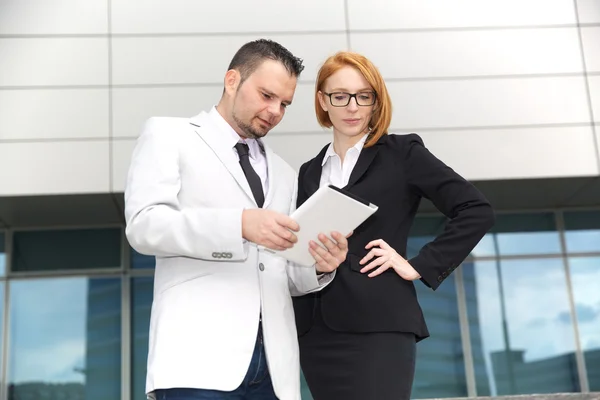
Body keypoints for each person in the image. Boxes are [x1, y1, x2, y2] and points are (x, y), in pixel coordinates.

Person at [124, 39, 350, 400]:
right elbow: (144, 226)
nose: (275, 110)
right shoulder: (169, 135)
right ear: (232, 80)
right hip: (197, 360)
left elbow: (284, 272)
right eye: (266, 95)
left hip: (275, 370)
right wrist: (238, 225)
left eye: (285, 104)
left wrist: (319, 265)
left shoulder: (285, 173)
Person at [293, 51, 496, 400]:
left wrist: (417, 264)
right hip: (317, 331)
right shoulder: (309, 172)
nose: (352, 107)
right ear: (322, 101)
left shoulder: (403, 153)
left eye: (364, 96)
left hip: (380, 326)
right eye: (340, 96)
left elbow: (475, 209)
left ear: (376, 100)